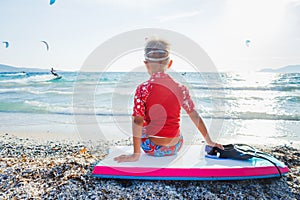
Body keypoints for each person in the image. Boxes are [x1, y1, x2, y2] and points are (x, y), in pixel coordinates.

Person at [114, 37, 223, 163]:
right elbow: (194, 115)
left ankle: (138, 151)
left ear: (146, 64)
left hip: (152, 148)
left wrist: (135, 154)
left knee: (140, 120)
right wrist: (209, 140)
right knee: (174, 125)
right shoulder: (180, 88)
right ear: (169, 63)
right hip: (175, 147)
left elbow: (138, 122)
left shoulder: (143, 89)